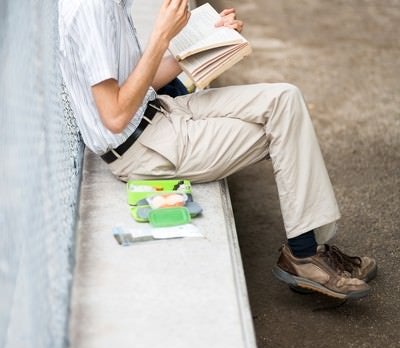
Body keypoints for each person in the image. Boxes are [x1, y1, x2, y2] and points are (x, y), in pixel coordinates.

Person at [59, 0, 377, 300]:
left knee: (285, 99)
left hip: (162, 111)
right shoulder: (90, 8)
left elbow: (140, 84)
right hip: (144, 148)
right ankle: (305, 254)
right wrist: (160, 37)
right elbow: (114, 116)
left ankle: (310, 249)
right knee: (283, 131)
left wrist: (206, 43)